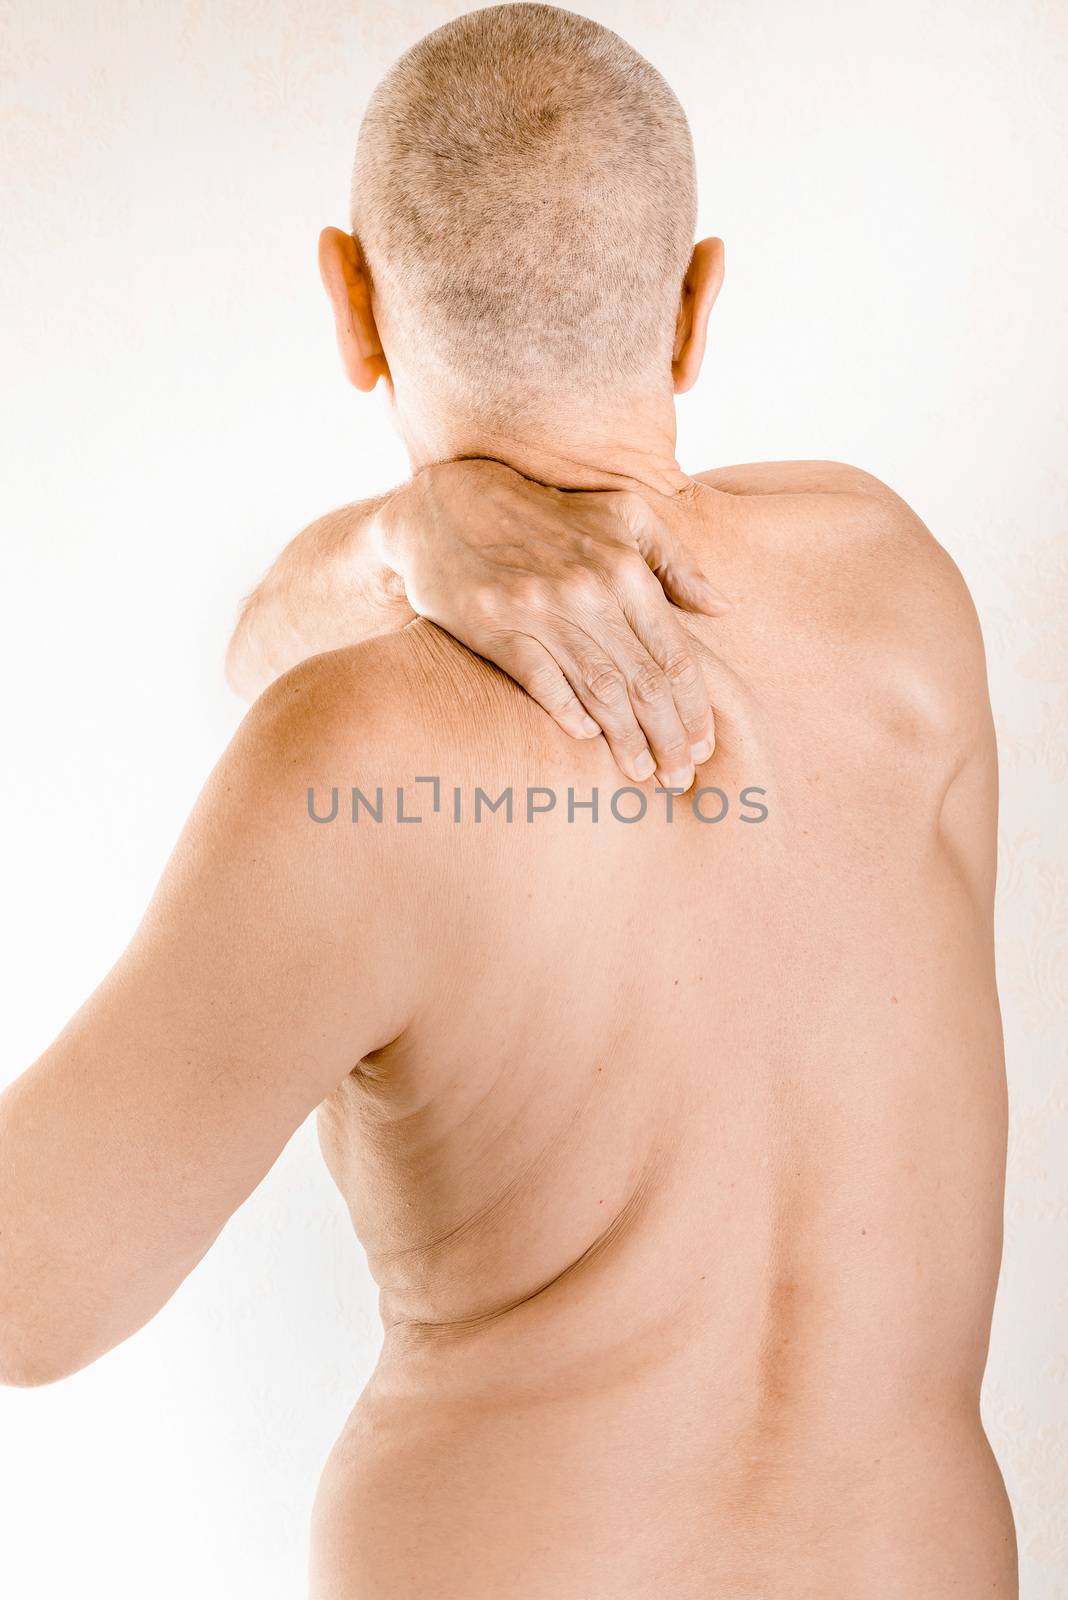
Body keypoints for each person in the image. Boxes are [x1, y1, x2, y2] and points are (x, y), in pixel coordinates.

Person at [0, 5, 1015, 1596]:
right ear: (694, 306)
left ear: (351, 304)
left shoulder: (348, 754)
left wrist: (399, 539)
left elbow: (29, 1295)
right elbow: (266, 648)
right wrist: (406, 536)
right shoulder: (898, 593)